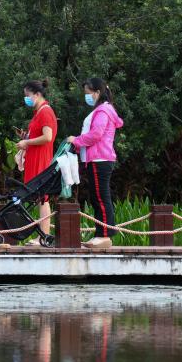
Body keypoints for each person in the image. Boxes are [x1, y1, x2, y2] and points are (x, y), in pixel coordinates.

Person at [66, 77, 124, 248]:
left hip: (100, 159)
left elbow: (96, 134)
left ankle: (105, 235)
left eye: (88, 93)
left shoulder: (103, 111)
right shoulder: (101, 109)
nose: (87, 96)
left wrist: (76, 140)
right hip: (96, 159)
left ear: (98, 92)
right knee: (97, 197)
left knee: (100, 196)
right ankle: (100, 233)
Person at [15, 79, 58, 238]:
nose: (26, 98)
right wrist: (26, 137)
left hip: (41, 159)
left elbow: (48, 137)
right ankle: (42, 234)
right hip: (35, 158)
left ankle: (44, 235)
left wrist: (27, 141)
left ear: (38, 94)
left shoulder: (46, 112)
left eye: (28, 95)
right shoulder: (38, 112)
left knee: (43, 198)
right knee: (40, 198)